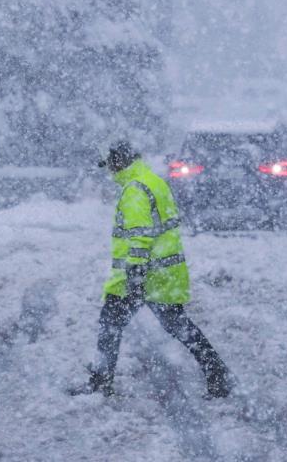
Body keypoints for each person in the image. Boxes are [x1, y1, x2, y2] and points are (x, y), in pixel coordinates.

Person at [69, 140, 233, 399]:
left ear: (118, 162)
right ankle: (218, 374)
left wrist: (135, 279)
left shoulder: (134, 190)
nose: (109, 173)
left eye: (110, 166)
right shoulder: (153, 181)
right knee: (178, 325)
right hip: (164, 273)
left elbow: (140, 238)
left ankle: (100, 384)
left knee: (110, 325)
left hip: (140, 275)